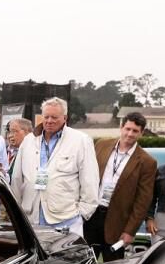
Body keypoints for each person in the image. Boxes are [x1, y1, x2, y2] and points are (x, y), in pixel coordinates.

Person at [8, 97, 99, 236]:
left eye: (54, 117)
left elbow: (90, 181)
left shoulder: (81, 141)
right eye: (46, 116)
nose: (49, 121)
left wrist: (81, 214)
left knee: (63, 258)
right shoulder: (29, 140)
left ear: (65, 118)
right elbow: (16, 178)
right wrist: (18, 210)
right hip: (32, 218)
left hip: (66, 221)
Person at [85, 112, 157, 261]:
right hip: (91, 215)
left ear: (141, 133)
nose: (130, 134)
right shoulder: (101, 145)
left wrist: (130, 231)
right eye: (128, 129)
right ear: (121, 127)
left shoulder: (147, 162)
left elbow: (143, 201)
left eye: (135, 131)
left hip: (118, 223)